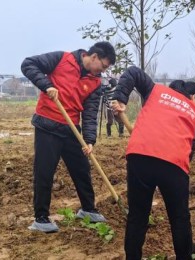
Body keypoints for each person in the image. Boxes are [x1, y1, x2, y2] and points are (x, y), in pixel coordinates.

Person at [111, 66, 195, 260]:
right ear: (194, 97)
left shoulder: (156, 91)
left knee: (137, 216)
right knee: (179, 218)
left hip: (139, 154)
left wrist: (121, 98)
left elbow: (133, 72)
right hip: (173, 162)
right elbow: (190, 151)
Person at [21, 41, 116, 233]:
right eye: (103, 66)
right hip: (47, 124)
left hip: (71, 129)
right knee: (44, 172)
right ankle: (41, 218)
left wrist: (89, 140)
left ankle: (88, 209)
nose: (103, 71)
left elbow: (90, 113)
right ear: (94, 57)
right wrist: (46, 85)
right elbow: (28, 64)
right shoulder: (62, 59)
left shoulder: (95, 82)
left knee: (82, 168)